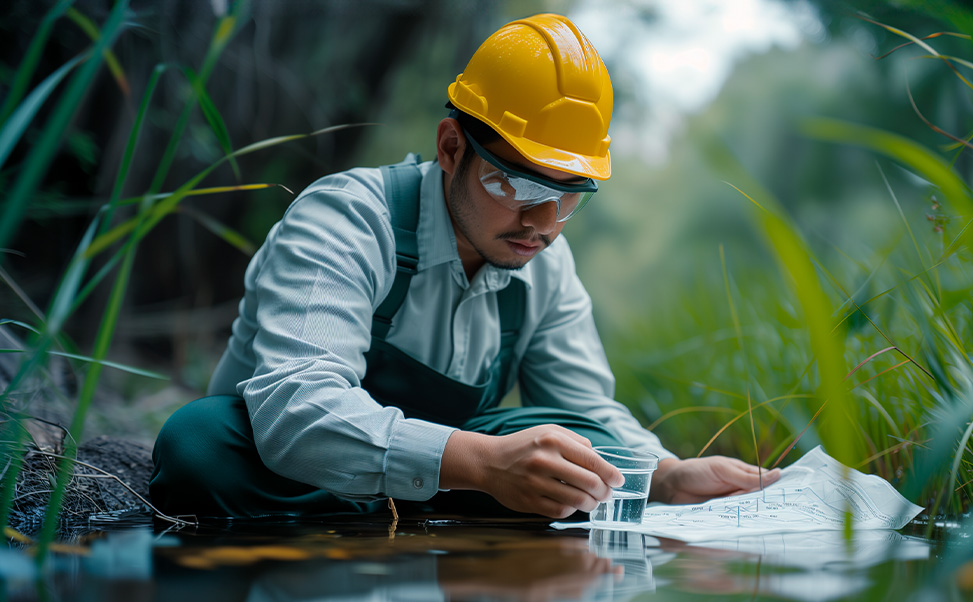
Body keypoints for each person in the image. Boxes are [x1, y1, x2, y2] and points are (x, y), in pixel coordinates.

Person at [149, 13, 779, 519]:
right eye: (516, 185)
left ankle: (402, 513)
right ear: (452, 148)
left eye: (567, 196)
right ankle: (430, 510)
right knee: (198, 446)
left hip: (442, 475)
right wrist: (480, 465)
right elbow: (296, 408)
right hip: (287, 469)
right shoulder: (346, 218)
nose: (542, 223)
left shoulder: (545, 263)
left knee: (585, 442)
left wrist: (666, 476)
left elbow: (588, 410)